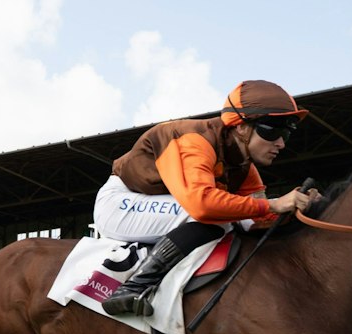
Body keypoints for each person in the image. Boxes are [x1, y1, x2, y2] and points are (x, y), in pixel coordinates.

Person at [95, 81, 320, 316]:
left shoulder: (244, 166)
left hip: (161, 207)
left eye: (287, 132)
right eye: (273, 130)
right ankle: (133, 287)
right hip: (121, 203)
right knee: (216, 218)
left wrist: (299, 206)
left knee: (231, 217)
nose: (281, 143)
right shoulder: (195, 141)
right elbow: (202, 206)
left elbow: (254, 219)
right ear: (241, 126)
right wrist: (274, 203)